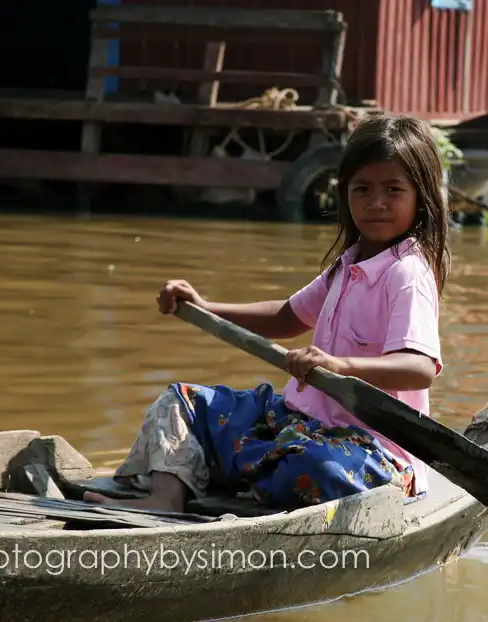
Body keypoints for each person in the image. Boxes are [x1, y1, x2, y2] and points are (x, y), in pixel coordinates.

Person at [84, 114, 450, 513]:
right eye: (362, 189)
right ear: (344, 193)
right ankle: (166, 499)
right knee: (182, 403)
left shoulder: (407, 273)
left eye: (393, 190)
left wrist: (339, 364)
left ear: (421, 196)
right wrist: (205, 307)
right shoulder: (349, 264)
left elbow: (419, 367)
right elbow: (286, 318)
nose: (376, 203)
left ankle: (239, 476)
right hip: (300, 422)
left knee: (314, 467)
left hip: (374, 449)